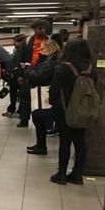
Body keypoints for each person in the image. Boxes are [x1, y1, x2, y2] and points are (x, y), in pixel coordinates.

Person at [48, 39, 97, 185]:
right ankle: (77, 174)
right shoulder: (90, 68)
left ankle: (61, 173)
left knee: (65, 141)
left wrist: (52, 102)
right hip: (84, 109)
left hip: (64, 109)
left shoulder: (63, 67)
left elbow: (55, 89)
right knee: (80, 141)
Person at [26, 39, 62, 155]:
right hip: (47, 92)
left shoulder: (50, 63)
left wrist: (29, 70)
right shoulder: (52, 61)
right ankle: (40, 145)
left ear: (50, 49)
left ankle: (41, 146)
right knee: (38, 119)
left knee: (39, 118)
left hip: (44, 93)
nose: (40, 51)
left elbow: (37, 76)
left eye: (43, 49)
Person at [17, 19, 49, 126]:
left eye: (44, 28)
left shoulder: (50, 41)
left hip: (45, 74)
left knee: (45, 98)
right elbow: (19, 58)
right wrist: (20, 75)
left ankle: (45, 122)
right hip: (28, 73)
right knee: (25, 97)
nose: (42, 31)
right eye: (39, 28)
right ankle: (24, 119)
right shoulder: (27, 41)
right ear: (34, 29)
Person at [3, 34, 26, 117]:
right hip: (14, 75)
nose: (14, 43)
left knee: (21, 94)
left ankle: (19, 111)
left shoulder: (23, 51)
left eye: (15, 42)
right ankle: (11, 109)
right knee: (13, 93)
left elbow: (19, 63)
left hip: (20, 75)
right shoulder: (16, 51)